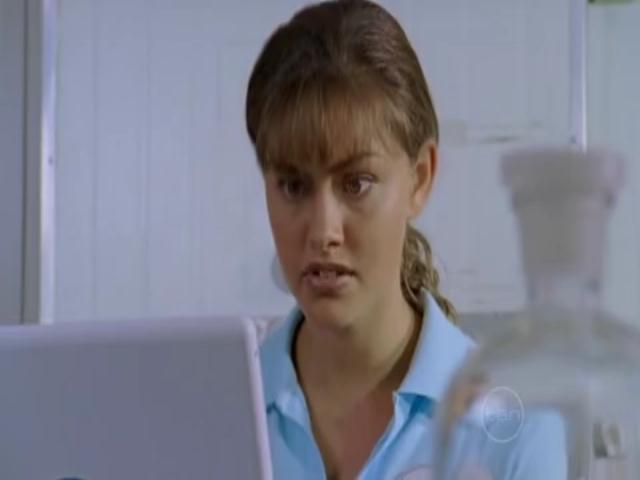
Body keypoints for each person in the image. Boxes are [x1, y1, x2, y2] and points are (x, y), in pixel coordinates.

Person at [245, 1, 567, 479]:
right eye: (293, 186)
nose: (324, 232)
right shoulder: (224, 402)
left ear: (420, 178)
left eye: (356, 183)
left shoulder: (515, 428)